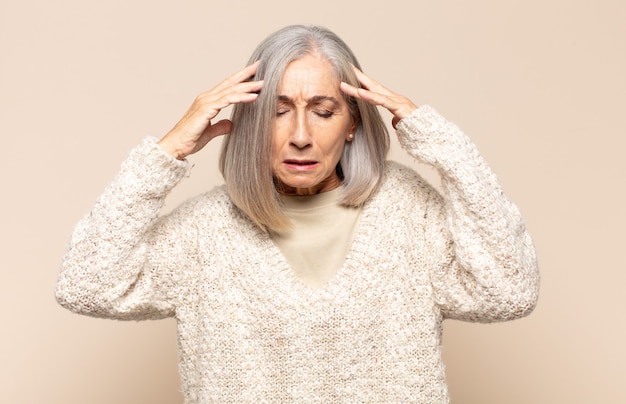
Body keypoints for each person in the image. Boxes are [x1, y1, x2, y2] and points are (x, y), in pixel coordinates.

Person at [56, 24, 540, 403]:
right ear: (248, 120)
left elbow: (509, 290)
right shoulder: (206, 231)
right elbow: (87, 284)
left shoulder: (406, 210)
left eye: (324, 111)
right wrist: (168, 152)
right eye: (278, 110)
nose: (301, 135)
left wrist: (448, 148)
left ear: (352, 123)